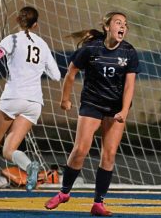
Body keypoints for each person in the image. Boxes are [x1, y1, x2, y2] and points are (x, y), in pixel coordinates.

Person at [44, 11, 140, 216]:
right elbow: (70, 74)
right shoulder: (90, 49)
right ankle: (64, 192)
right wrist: (65, 99)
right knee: (80, 149)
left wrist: (124, 110)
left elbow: (130, 86)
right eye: (118, 22)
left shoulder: (129, 52)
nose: (122, 26)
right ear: (107, 27)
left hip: (115, 108)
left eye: (125, 24)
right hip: (92, 103)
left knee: (109, 154)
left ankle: (98, 203)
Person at [0, 6, 61, 200]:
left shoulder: (11, 39)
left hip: (13, 98)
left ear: (18, 20)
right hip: (34, 103)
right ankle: (29, 166)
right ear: (35, 24)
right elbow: (56, 75)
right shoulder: (43, 45)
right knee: (8, 150)